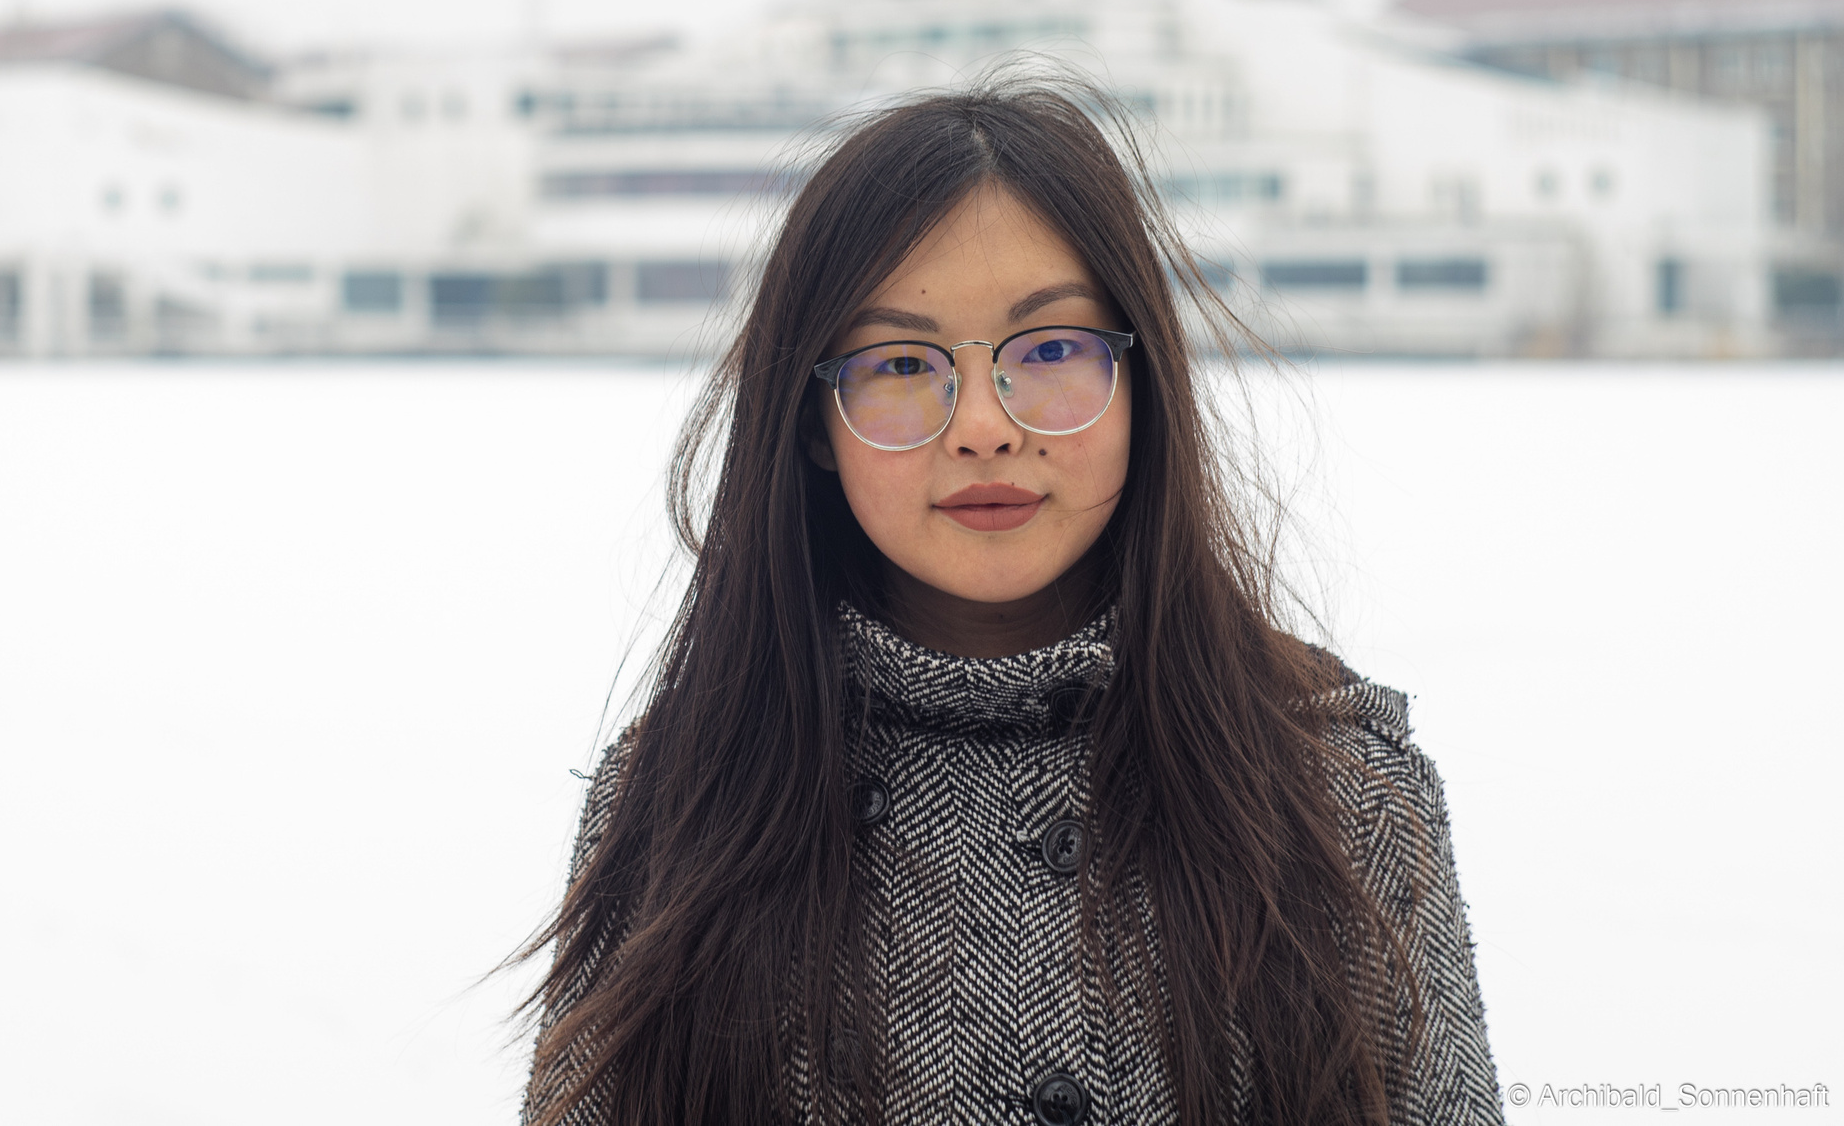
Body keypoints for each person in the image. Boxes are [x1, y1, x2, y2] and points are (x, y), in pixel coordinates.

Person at [518, 82, 1500, 1126]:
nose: (983, 426)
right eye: (903, 362)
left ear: (1142, 384)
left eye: (1050, 350)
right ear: (813, 423)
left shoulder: (1337, 794)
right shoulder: (686, 796)